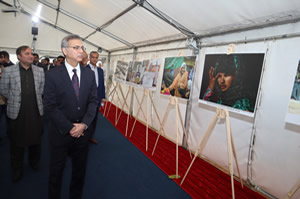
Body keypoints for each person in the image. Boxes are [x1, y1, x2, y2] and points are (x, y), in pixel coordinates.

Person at [44, 34, 98, 199]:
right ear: (64, 50)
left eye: (82, 47)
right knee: (56, 172)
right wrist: (69, 127)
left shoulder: (89, 74)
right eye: (76, 47)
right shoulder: (53, 75)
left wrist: (84, 125)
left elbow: (93, 102)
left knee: (79, 171)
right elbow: (50, 106)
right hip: (60, 133)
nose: (81, 51)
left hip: (82, 134)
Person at [0, 45, 45, 182]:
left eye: (31, 53)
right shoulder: (9, 71)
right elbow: (3, 90)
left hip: (35, 111)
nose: (31, 56)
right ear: (19, 56)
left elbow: (41, 89)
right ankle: (17, 168)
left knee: (36, 140)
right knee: (16, 143)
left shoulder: (40, 71)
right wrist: (14, 100)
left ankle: (34, 162)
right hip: (17, 113)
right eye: (27, 53)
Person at [86, 51, 105, 144]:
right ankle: (84, 137)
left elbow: (102, 85)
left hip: (97, 99)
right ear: (89, 58)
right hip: (86, 99)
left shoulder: (100, 71)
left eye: (96, 57)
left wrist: (102, 98)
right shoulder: (84, 69)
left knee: (94, 119)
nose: (95, 59)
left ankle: (90, 136)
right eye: (93, 57)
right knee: (86, 118)